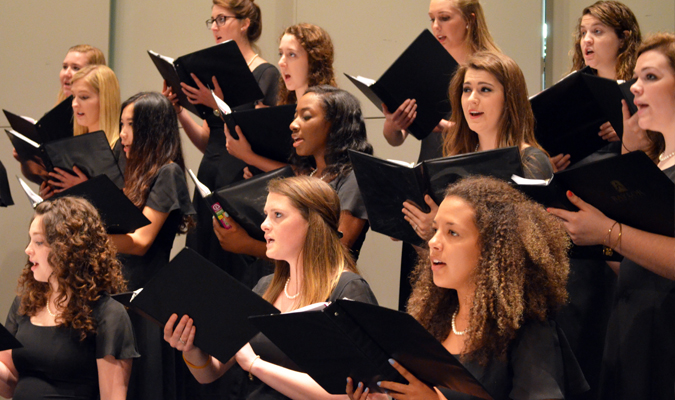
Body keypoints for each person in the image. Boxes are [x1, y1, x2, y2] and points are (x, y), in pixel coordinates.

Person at [349, 176, 588, 400]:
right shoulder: (431, 319)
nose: (433, 242)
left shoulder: (528, 330)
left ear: (492, 250)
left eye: (452, 233)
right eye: (435, 230)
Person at [165, 175, 378, 400]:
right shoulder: (266, 287)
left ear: (313, 224)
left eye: (278, 215)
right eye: (266, 215)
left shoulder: (348, 290)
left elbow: (358, 394)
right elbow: (210, 372)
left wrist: (256, 366)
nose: (264, 225)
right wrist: (190, 348)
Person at [548, 33, 675, 400]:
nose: (635, 88)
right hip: (631, 331)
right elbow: (637, 263)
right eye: (635, 78)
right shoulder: (655, 165)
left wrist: (607, 231)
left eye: (651, 77)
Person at [386, 0, 501, 310]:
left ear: (470, 20)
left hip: (466, 191)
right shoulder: (425, 67)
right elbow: (394, 137)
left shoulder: (490, 70)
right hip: (429, 187)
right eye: (432, 19)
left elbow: (499, 141)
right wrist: (393, 123)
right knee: (419, 307)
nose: (436, 27)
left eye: (445, 18)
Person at [161, 0, 281, 296]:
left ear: (245, 23)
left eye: (222, 19)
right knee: (203, 261)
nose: (214, 27)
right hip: (211, 174)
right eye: (212, 21)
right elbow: (208, 139)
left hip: (241, 179)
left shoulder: (266, 74)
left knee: (233, 266)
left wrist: (216, 103)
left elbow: (258, 134)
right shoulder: (213, 72)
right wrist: (180, 112)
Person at [0, 196, 139, 400]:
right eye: (30, 240)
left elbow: (112, 397)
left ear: (68, 249)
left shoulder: (108, 314)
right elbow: (9, 386)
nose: (28, 250)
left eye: (38, 242)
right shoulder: (25, 304)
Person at [213, 86, 372, 261]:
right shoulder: (313, 175)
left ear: (335, 125)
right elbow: (288, 172)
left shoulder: (353, 179)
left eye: (306, 117)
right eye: (295, 116)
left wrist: (249, 245)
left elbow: (334, 253)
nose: (293, 124)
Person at [110, 92, 195, 400]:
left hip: (145, 299)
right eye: (121, 124)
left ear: (152, 129)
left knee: (142, 387)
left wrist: (86, 233)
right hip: (116, 291)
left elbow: (141, 242)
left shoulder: (167, 172)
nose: (122, 134)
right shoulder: (126, 170)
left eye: (130, 125)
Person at [225, 22, 338, 175]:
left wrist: (250, 157)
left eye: (291, 54)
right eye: (281, 54)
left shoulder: (328, 108)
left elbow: (312, 174)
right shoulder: (287, 106)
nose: (281, 62)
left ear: (313, 61)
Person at [552, 0, 643, 171]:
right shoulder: (571, 88)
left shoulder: (640, 89)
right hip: (575, 178)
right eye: (583, 33)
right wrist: (548, 160)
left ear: (623, 39)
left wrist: (628, 136)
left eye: (597, 31)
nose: (586, 40)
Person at [43, 64, 123, 198]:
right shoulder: (72, 144)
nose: (74, 104)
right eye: (73, 96)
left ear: (105, 100)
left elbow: (126, 207)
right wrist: (52, 196)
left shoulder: (122, 147)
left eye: (84, 97)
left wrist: (85, 188)